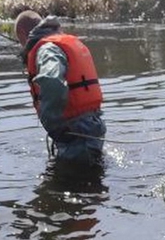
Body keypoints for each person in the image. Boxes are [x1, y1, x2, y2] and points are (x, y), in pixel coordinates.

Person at [14, 10, 106, 166]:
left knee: (74, 184)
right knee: (92, 181)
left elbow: (52, 81)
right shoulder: (59, 42)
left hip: (74, 133)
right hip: (91, 125)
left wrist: (53, 122)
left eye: (19, 41)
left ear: (23, 33)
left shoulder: (46, 50)